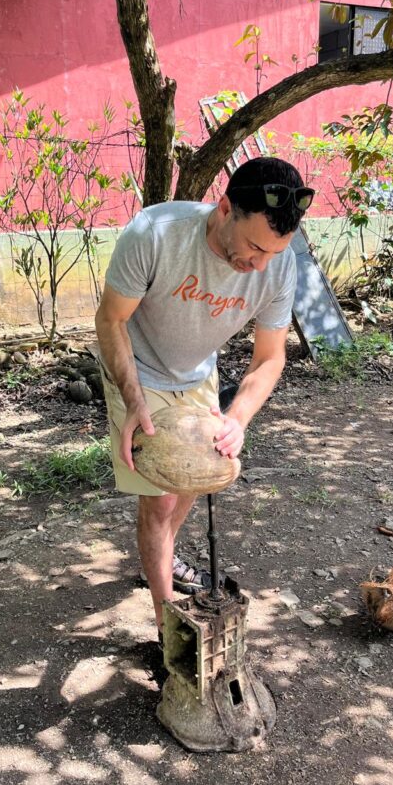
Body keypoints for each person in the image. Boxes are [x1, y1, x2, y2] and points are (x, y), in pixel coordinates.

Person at [94, 156, 314, 636]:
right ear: (224, 209)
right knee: (158, 500)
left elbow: (270, 358)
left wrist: (237, 418)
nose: (260, 265)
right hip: (140, 368)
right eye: (255, 246)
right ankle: (167, 626)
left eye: (275, 253)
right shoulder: (155, 233)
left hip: (197, 375)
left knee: (198, 476)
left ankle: (161, 557)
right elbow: (110, 321)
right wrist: (133, 400)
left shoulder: (276, 266)